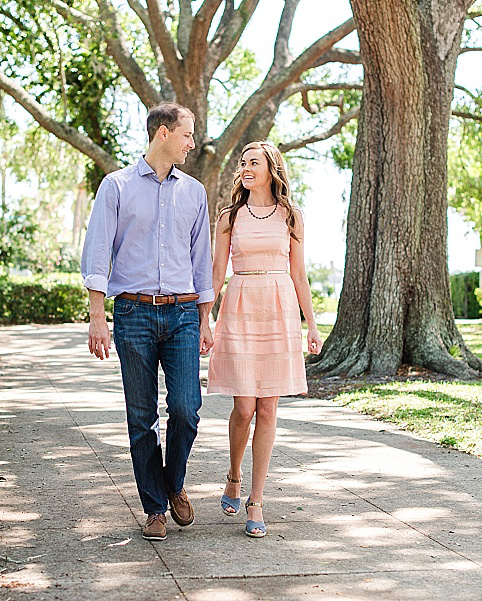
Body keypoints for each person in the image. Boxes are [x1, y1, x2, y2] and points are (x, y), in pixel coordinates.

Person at [81, 102, 214, 542]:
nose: (192, 143)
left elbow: (202, 264)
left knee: (186, 409)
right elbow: (98, 252)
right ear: (162, 133)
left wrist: (205, 320)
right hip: (134, 313)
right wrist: (97, 317)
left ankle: (173, 482)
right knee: (141, 417)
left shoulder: (194, 192)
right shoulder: (116, 187)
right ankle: (155, 506)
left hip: (181, 314)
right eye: (187, 134)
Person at [206, 141, 323, 538]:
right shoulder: (228, 216)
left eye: (253, 162)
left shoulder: (292, 215)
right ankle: (234, 474)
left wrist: (313, 324)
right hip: (239, 307)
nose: (246, 167)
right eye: (242, 162)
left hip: (279, 309)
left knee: (269, 410)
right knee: (243, 409)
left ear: (272, 168)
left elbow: (299, 274)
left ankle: (256, 499)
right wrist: (205, 320)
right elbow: (217, 273)